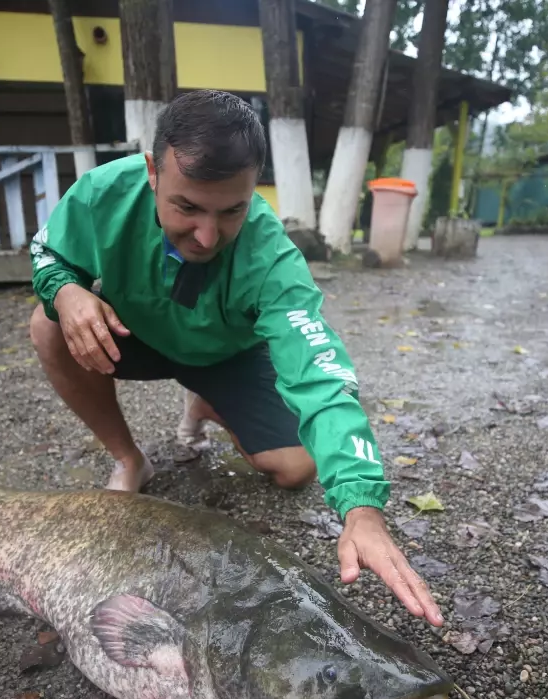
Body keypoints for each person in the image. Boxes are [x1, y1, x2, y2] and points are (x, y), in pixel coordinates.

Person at [27, 90, 443, 628]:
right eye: (187, 207)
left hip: (228, 355)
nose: (207, 236)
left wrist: (361, 507)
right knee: (48, 325)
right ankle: (129, 458)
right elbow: (49, 252)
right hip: (138, 333)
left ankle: (207, 401)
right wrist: (64, 291)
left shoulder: (273, 257)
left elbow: (321, 375)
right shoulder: (103, 191)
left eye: (231, 211)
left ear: (254, 189)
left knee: (296, 469)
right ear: (152, 171)